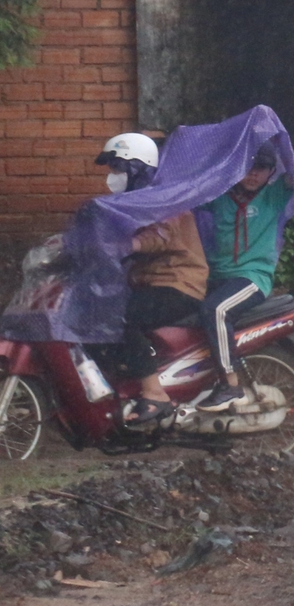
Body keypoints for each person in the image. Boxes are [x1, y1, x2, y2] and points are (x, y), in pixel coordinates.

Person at [96, 134, 204, 427]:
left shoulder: (165, 197)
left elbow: (160, 235)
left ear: (137, 168)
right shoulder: (134, 201)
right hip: (149, 282)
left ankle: (154, 394)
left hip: (178, 283)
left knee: (120, 319)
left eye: (117, 168)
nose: (112, 176)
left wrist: (130, 246)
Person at [194, 143, 292, 413]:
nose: (253, 173)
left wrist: (277, 132)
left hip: (252, 278)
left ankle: (231, 386)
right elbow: (188, 194)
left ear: (271, 172)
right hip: (215, 276)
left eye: (260, 168)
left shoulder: (274, 195)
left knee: (215, 310)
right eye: (247, 166)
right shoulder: (220, 196)